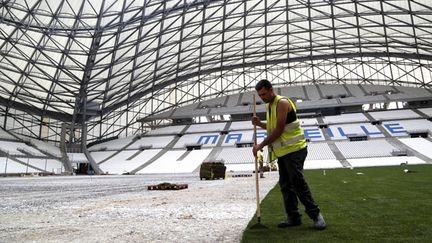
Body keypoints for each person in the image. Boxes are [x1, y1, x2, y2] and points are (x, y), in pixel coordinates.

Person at [252, 79, 326, 230]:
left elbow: (278, 130)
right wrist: (259, 124)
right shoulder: (270, 105)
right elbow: (273, 127)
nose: (263, 98)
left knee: (297, 181)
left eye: (264, 94)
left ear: (271, 89)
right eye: (260, 95)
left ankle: (316, 215)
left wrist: (260, 145)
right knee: (286, 185)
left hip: (295, 149)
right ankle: (293, 217)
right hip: (284, 152)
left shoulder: (282, 103)